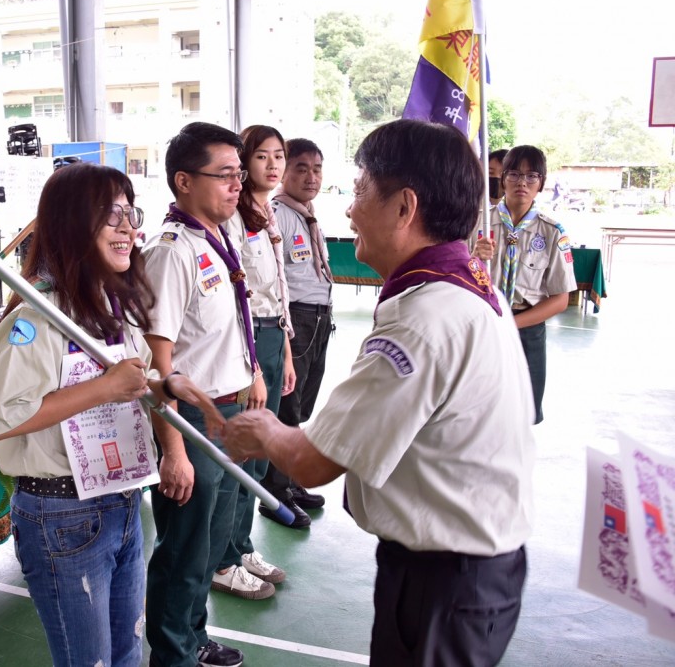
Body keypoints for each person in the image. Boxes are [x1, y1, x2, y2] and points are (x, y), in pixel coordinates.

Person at [225, 119, 535, 666]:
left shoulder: (422, 321)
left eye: (361, 190)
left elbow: (311, 462)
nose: (349, 208)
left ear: (403, 207)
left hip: (444, 579)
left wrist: (260, 429)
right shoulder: (469, 288)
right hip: (473, 569)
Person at [0, 162, 223, 667]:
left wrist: (158, 385)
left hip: (121, 501)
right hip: (63, 515)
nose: (129, 228)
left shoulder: (112, 308)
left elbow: (126, 381)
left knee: (128, 650)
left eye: (130, 213)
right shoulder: (35, 319)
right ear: (71, 222)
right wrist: (104, 388)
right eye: (111, 215)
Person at [142, 121, 266, 667]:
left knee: (210, 545)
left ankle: (192, 639)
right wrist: (172, 450)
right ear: (184, 181)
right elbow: (156, 364)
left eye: (240, 174)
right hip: (190, 424)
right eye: (225, 175)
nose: (238, 185)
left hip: (226, 413)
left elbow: (228, 326)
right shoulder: (171, 252)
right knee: (184, 551)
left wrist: (253, 373)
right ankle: (173, 656)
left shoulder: (218, 236)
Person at [211, 125, 294, 600]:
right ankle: (224, 560)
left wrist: (282, 352)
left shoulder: (269, 214)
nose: (272, 165)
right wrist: (257, 367)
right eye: (261, 157)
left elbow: (278, 290)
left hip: (270, 336)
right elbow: (242, 298)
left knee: (259, 457)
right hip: (249, 338)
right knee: (242, 456)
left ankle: (241, 547)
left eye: (278, 155)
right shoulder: (235, 220)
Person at [259, 137, 333, 528]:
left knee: (302, 404)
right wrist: (288, 335)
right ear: (284, 173)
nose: (311, 176)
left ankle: (288, 481)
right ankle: (275, 494)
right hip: (297, 320)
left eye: (317, 168)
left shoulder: (307, 213)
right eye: (301, 168)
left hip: (319, 318)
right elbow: (278, 282)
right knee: (287, 406)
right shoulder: (278, 215)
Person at [474, 145, 576, 424]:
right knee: (476, 408)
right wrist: (474, 258)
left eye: (532, 176)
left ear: (541, 183)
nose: (522, 182)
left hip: (526, 328)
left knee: (522, 412)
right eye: (515, 174)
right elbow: (456, 278)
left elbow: (560, 299)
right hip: (482, 323)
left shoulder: (552, 232)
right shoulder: (477, 223)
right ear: (502, 178)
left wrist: (510, 325)